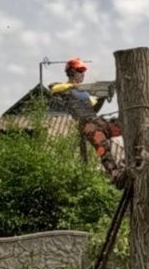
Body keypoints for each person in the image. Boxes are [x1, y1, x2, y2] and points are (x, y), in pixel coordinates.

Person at [48, 57, 124, 185]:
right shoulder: (64, 89)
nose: (83, 74)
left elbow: (94, 109)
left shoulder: (84, 93)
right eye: (80, 70)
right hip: (87, 124)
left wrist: (102, 97)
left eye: (83, 71)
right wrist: (76, 87)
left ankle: (131, 160)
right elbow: (52, 88)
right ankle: (114, 175)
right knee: (103, 146)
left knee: (123, 125)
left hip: (96, 120)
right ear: (71, 72)